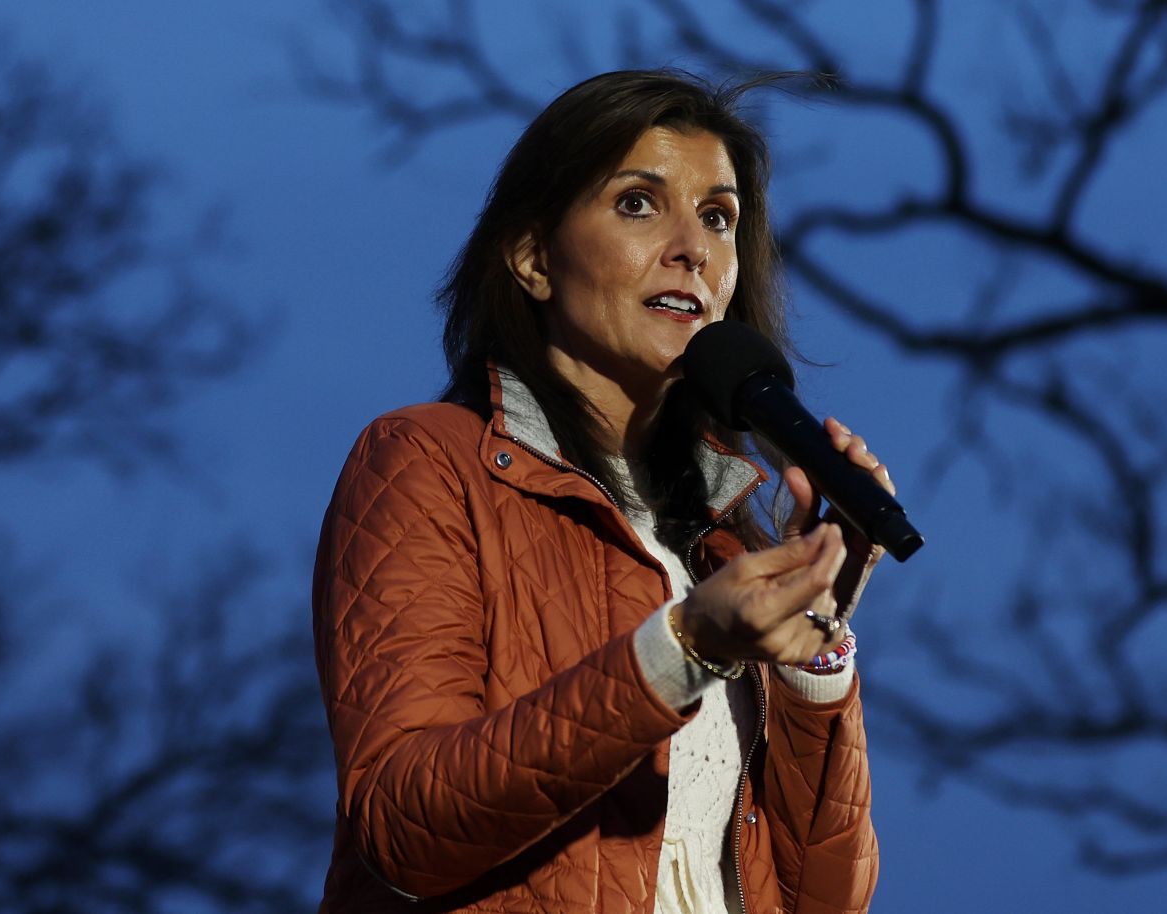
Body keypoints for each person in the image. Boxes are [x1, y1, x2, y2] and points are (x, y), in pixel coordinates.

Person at [312, 70, 892, 914]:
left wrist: (818, 650)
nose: (693, 247)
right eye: (637, 204)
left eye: (720, 217)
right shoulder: (427, 463)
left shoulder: (725, 549)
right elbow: (405, 826)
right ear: (534, 258)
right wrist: (682, 649)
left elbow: (825, 899)